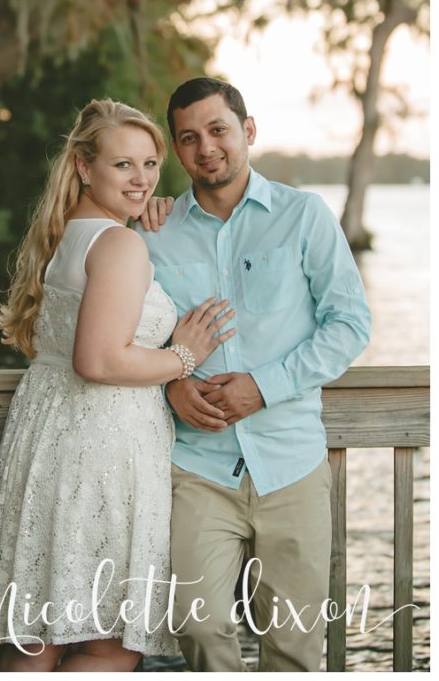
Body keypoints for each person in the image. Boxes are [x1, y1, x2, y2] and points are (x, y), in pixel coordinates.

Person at [0, 100, 236, 671]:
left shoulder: (66, 236)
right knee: (109, 644)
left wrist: (141, 217)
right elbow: (99, 359)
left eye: (150, 164)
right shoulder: (118, 245)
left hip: (49, 438)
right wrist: (183, 356)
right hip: (104, 450)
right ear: (83, 166)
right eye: (124, 166)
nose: (142, 179)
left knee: (38, 635)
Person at [143, 77, 372, 671]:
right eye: (189, 138)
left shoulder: (304, 215)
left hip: (290, 463)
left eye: (218, 130)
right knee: (196, 624)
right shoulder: (153, 230)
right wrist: (170, 382)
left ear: (247, 131)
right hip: (195, 466)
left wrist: (263, 386)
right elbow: (129, 336)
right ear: (176, 149)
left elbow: (348, 324)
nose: (206, 148)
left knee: (294, 644)